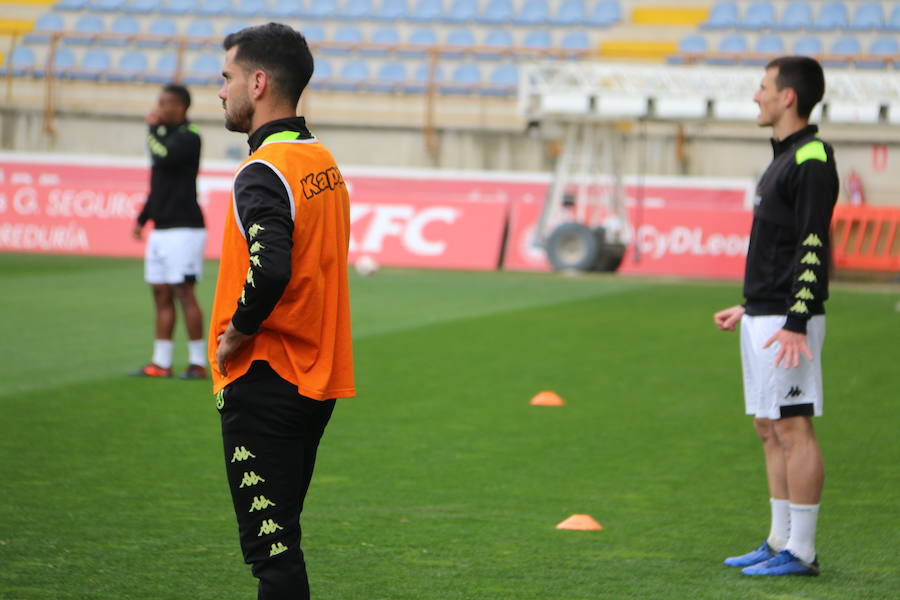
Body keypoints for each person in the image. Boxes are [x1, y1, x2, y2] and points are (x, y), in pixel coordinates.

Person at [208, 23, 355, 599]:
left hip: (266, 380)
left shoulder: (263, 170)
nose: (221, 91)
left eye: (228, 77)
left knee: (273, 559)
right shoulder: (322, 162)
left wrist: (235, 336)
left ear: (259, 82)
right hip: (312, 380)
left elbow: (271, 266)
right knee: (282, 542)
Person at [714, 56, 838, 577]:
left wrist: (795, 318)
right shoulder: (782, 157)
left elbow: (812, 243)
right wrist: (753, 303)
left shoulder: (811, 156)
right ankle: (778, 538)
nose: (756, 95)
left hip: (790, 320)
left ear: (788, 96)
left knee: (794, 427)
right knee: (769, 427)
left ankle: (802, 552)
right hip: (766, 312)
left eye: (763, 86)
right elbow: (780, 244)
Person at [131, 83, 208, 380]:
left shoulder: (190, 137)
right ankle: (161, 363)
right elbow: (158, 186)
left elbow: (162, 157)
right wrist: (142, 219)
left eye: (164, 103)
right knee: (160, 294)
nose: (158, 108)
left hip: (185, 229)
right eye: (158, 103)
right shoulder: (165, 138)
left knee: (184, 293)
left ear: (180, 107)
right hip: (162, 229)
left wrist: (151, 131)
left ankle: (197, 363)